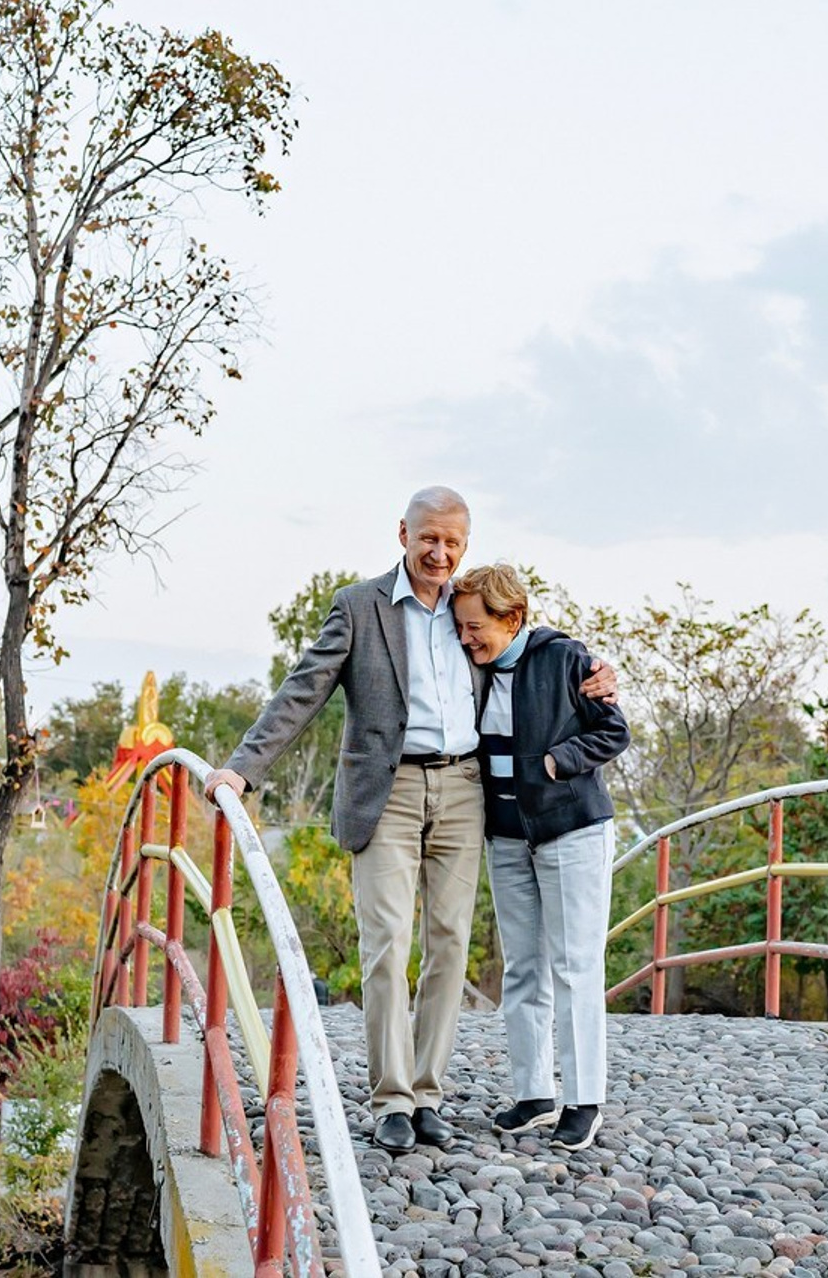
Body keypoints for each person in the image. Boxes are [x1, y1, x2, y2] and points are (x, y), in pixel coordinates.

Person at [203, 487, 614, 1155]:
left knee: (450, 945)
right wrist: (243, 767)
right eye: (429, 538)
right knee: (387, 945)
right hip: (387, 790)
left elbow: (528, 642)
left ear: (464, 547)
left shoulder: (467, 610)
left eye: (452, 543)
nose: (439, 552)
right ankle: (391, 1098)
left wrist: (595, 673)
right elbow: (301, 690)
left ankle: (428, 1094)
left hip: (462, 787)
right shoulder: (360, 607)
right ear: (403, 533)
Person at [452, 564, 629, 1153]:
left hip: (571, 830)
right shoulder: (470, 670)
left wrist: (557, 762)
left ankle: (584, 1100)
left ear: (514, 618)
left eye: (476, 626)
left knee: (575, 965)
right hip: (506, 838)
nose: (466, 637)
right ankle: (534, 1094)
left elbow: (613, 731)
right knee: (523, 968)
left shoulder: (564, 659)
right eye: (460, 626)